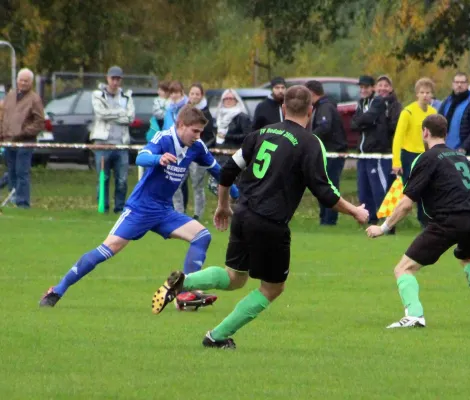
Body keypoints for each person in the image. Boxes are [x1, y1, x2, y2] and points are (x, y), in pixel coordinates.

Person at [151, 86, 369, 349]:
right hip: (270, 223)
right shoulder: (311, 143)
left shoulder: (261, 133)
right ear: (311, 111)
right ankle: (216, 336)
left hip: (242, 213)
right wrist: (355, 210)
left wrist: (223, 205)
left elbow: (228, 170)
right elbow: (323, 190)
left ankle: (185, 281)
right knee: (272, 288)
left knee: (234, 277)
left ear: (284, 108)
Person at [40, 106, 239, 310]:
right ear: (180, 125)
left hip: (164, 210)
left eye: (201, 132)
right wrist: (158, 159)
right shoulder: (164, 139)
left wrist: (238, 196)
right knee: (107, 249)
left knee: (202, 236)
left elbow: (218, 172)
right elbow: (141, 157)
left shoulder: (197, 147)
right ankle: (57, 290)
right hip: (140, 209)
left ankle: (184, 293)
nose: (198, 137)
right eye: (195, 131)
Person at [366, 114, 470, 328]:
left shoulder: (427, 158)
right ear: (446, 133)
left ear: (425, 132)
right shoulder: (460, 157)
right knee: (467, 256)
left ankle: (414, 315)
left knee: (403, 269)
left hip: (450, 219)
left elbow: (406, 204)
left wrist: (383, 227)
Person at [392, 77, 437, 227]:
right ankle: (391, 223)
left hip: (426, 155)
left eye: (428, 92)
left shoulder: (433, 112)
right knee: (408, 191)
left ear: (432, 95)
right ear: (417, 94)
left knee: (427, 189)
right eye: (422, 92)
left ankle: (425, 221)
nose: (425, 95)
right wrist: (396, 162)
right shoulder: (408, 112)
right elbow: (398, 137)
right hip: (409, 156)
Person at [90, 66, 135, 213]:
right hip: (102, 143)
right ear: (107, 78)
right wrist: (119, 114)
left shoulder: (127, 96)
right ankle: (103, 208)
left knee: (122, 180)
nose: (115, 82)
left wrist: (114, 115)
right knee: (103, 178)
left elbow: (130, 117)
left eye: (118, 79)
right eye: (112, 78)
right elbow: (100, 114)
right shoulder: (98, 95)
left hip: (121, 144)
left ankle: (119, 209)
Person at [305, 80, 348, 226]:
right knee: (324, 184)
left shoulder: (325, 107)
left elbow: (324, 127)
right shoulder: (321, 106)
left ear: (312, 93)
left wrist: (309, 139)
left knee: (330, 186)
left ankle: (329, 219)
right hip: (327, 152)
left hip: (333, 153)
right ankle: (325, 217)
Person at [0, 68, 45, 208]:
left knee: (22, 172)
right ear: (17, 81)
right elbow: (4, 116)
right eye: (21, 80)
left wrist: (24, 132)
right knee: (12, 171)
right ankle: (12, 198)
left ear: (31, 83)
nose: (23, 83)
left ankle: (23, 202)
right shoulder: (10, 95)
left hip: (25, 142)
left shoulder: (34, 99)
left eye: (26, 80)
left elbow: (39, 122)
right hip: (8, 141)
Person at [351, 75, 391, 226]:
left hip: (375, 152)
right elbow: (354, 124)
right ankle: (370, 219)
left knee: (378, 188)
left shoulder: (378, 101)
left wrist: (363, 121)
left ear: (372, 88)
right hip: (362, 153)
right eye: (361, 87)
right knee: (363, 189)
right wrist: (363, 122)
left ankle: (387, 221)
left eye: (366, 87)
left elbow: (369, 118)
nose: (363, 90)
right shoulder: (360, 103)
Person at [172, 83, 215, 219]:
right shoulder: (183, 111)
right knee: (176, 182)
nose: (194, 96)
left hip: (198, 154)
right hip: (182, 152)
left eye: (197, 94)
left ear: (201, 96)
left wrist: (200, 149)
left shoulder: (207, 113)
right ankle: (178, 212)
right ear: (188, 95)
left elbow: (210, 135)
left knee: (197, 185)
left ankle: (198, 215)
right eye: (192, 93)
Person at [439, 72, 470, 156]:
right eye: (456, 82)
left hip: (468, 153)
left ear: (467, 84)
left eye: (462, 82)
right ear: (453, 84)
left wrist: (464, 148)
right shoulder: (446, 103)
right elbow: (438, 124)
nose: (459, 85)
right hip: (446, 151)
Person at [215, 89, 252, 156]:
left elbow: (248, 136)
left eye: (231, 98)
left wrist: (227, 136)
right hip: (220, 153)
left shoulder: (242, 117)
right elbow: (216, 135)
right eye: (226, 98)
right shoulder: (219, 116)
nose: (228, 100)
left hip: (236, 154)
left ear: (236, 101)